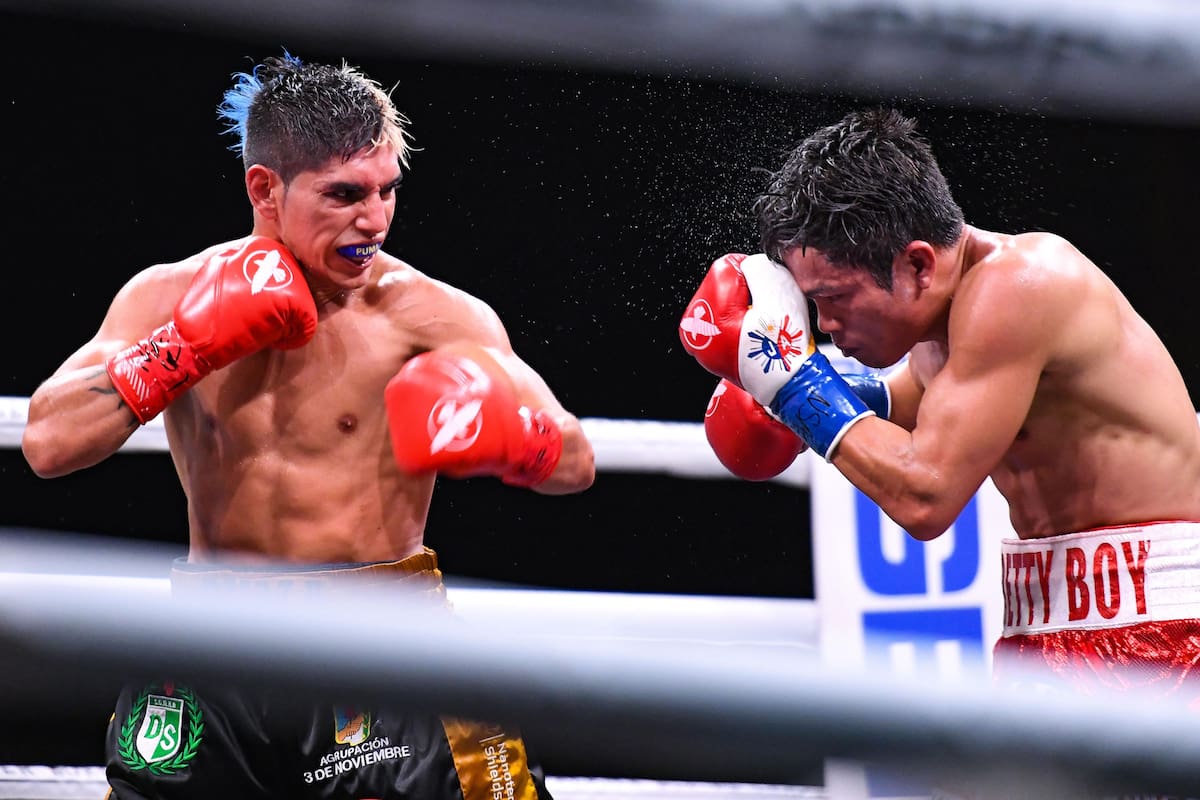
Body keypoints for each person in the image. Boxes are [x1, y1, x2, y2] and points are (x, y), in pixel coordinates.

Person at [21, 52, 594, 800]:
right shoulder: (167, 297)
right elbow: (48, 443)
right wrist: (183, 348)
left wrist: (514, 437)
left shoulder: (431, 315)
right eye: (344, 194)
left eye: (388, 190)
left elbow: (575, 461)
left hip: (378, 641)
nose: (375, 220)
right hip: (211, 643)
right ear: (265, 188)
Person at [680, 107, 1200, 705]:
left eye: (835, 298)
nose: (825, 325)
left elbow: (925, 496)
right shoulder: (948, 323)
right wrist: (782, 403)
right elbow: (914, 400)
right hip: (1046, 627)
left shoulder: (1019, 286)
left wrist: (793, 383)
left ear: (918, 264)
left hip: (1161, 634)